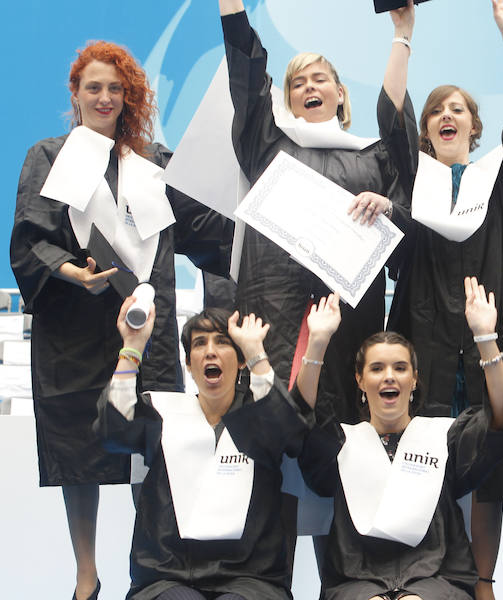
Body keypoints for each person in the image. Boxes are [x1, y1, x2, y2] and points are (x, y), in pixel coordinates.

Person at [10, 41, 233, 600]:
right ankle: (87, 576)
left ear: (129, 95)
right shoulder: (48, 155)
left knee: (151, 450)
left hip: (144, 333)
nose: (105, 97)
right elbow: (31, 235)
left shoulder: (155, 162)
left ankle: (152, 570)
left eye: (116, 88)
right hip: (74, 330)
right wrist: (68, 270)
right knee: (78, 455)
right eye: (94, 87)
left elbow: (206, 226)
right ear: (76, 94)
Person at [384, 2, 503, 594]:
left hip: (489, 337)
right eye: (436, 111)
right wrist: (404, 35)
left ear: (474, 128)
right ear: (428, 130)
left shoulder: (498, 182)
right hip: (424, 340)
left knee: (491, 465)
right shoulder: (414, 184)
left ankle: (482, 580)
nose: (446, 115)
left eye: (458, 109)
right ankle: (426, 572)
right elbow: (390, 114)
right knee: (420, 455)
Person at [217, 0, 417, 422]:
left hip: (348, 316)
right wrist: (231, 8)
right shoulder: (270, 148)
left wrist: (402, 34)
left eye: (320, 79)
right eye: (298, 83)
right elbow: (248, 82)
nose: (309, 88)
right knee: (269, 429)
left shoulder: (372, 156)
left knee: (344, 433)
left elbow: (399, 139)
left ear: (340, 93)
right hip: (274, 309)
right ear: (287, 99)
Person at [295, 277, 503, 600]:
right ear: (360, 380)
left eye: (400, 368)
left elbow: (501, 417)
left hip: (437, 576)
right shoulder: (342, 442)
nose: (389, 375)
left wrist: (485, 337)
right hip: (357, 578)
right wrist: (317, 342)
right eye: (377, 368)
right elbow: (303, 412)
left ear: (414, 379)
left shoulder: (445, 437)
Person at [95, 299, 309, 599]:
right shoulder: (161, 412)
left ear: (240, 359)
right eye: (199, 343)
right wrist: (131, 348)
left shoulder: (261, 417)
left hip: (250, 578)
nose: (210, 350)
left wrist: (257, 354)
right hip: (167, 574)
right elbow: (112, 429)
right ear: (188, 362)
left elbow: (290, 433)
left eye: (222, 342)